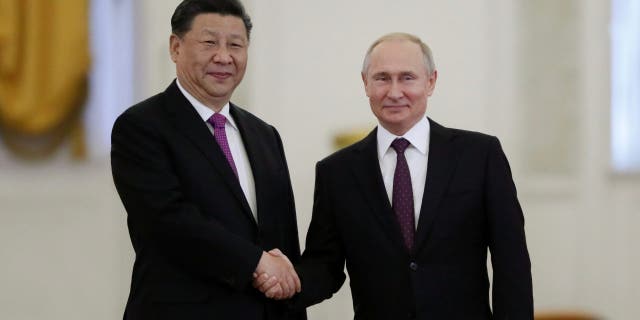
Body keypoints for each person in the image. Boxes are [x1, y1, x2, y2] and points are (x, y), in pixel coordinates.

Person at [255, 32, 534, 319]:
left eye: (407, 78)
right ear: (365, 83)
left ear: (431, 81)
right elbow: (325, 266)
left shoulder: (480, 155)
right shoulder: (336, 172)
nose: (394, 91)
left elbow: (511, 262)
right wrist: (285, 281)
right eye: (382, 78)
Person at [110, 0, 305, 319]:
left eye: (236, 45)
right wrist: (256, 262)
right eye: (209, 43)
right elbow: (168, 222)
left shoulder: (264, 135)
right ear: (175, 47)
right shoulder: (141, 127)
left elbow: (283, 242)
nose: (224, 57)